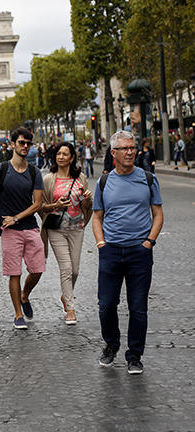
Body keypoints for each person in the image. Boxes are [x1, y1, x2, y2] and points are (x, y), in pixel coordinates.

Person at [93, 130, 163, 375]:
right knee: (106, 305)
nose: (131, 152)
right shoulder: (103, 182)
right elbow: (97, 217)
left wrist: (149, 242)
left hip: (139, 251)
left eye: (133, 147)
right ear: (113, 153)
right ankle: (111, 344)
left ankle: (135, 355)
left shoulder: (149, 178)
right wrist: (101, 243)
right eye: (125, 148)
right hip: (111, 251)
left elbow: (158, 214)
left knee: (138, 307)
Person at [0, 127, 45, 330]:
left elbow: (37, 203)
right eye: (21, 142)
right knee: (15, 273)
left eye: (28, 144)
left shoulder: (34, 172)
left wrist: (16, 217)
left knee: (38, 269)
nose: (25, 147)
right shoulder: (0, 169)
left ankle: (25, 295)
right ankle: (18, 313)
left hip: (29, 226)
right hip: (9, 230)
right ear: (12, 144)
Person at [40, 143, 93, 325]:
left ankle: (66, 296)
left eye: (65, 154)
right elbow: (41, 206)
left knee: (75, 270)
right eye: (58, 154)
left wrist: (87, 200)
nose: (61, 157)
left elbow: (87, 207)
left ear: (72, 158)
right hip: (56, 229)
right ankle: (70, 309)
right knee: (66, 268)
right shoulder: (48, 179)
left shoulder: (81, 178)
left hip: (77, 227)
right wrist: (56, 205)